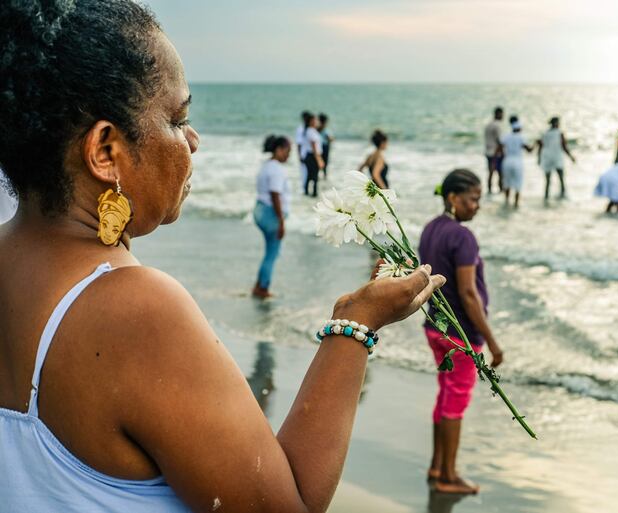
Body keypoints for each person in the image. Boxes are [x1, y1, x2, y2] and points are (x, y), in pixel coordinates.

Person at [0, 2, 446, 511]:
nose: (194, 140)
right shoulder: (134, 310)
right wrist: (356, 322)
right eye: (178, 118)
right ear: (105, 150)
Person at [419, 169, 504, 495]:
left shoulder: (430, 229)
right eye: (473, 199)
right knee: (455, 401)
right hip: (461, 335)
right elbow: (468, 294)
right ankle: (448, 477)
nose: (477, 206)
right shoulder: (463, 237)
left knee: (445, 394)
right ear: (453, 197)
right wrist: (493, 343)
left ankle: (437, 465)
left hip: (435, 326)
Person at [252, 135, 291, 299]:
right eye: (288, 151)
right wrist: (281, 222)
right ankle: (262, 288)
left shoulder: (267, 166)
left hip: (261, 210)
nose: (288, 155)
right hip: (271, 214)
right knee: (272, 254)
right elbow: (275, 195)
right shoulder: (276, 169)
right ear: (279, 149)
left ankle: (258, 285)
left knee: (269, 252)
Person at [537, 117, 576, 201]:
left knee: (547, 180)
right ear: (556, 123)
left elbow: (540, 146)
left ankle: (546, 196)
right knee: (561, 178)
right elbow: (564, 146)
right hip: (557, 157)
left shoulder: (545, 133)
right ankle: (563, 194)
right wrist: (571, 157)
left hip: (547, 157)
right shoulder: (559, 133)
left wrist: (539, 158)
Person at [499, 116, 533, 208]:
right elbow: (529, 150)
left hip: (507, 160)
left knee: (507, 182)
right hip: (517, 161)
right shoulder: (521, 137)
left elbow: (500, 148)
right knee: (518, 184)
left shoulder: (506, 136)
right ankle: (516, 204)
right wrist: (536, 144)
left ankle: (506, 202)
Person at [299, 113, 325, 197]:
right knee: (314, 175)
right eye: (315, 120)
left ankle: (307, 193)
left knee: (310, 175)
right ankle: (313, 193)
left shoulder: (310, 130)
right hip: (312, 156)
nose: (316, 121)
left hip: (310, 155)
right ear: (311, 121)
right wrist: (319, 160)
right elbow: (314, 147)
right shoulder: (311, 131)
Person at [483, 107, 504, 193]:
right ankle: (501, 190)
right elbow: (499, 141)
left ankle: (489, 190)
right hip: (496, 153)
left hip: (488, 151)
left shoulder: (488, 125)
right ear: (498, 114)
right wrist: (503, 152)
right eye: (502, 114)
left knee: (490, 172)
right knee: (500, 173)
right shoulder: (497, 125)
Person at [295, 110, 311, 190]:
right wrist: (299, 155)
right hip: (303, 154)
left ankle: (306, 189)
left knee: (309, 173)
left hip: (308, 154)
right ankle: (304, 189)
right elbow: (298, 143)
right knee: (304, 173)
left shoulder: (309, 129)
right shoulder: (301, 129)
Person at [318, 113, 334, 179]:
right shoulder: (319, 129)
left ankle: (324, 176)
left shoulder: (325, 130)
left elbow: (331, 139)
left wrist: (329, 138)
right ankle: (322, 176)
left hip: (325, 147)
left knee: (325, 162)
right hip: (320, 147)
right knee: (320, 162)